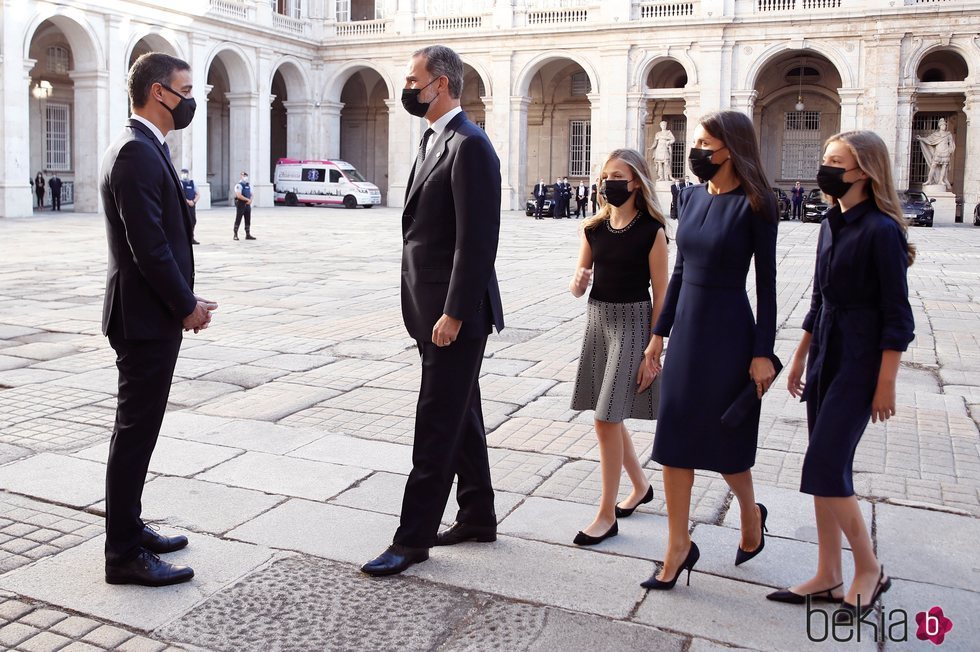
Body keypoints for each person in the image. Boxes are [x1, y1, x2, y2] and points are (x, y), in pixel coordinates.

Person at [361, 44, 504, 577]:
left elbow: (477, 242)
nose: (407, 88)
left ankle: (411, 537)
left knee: (436, 422)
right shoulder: (435, 140)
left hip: (454, 315)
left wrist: (455, 313)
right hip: (430, 307)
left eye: (413, 80)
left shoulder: (471, 146)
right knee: (461, 410)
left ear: (440, 83)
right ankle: (478, 514)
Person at [770, 130, 914, 620]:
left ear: (864, 172)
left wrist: (886, 382)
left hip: (861, 362)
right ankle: (828, 571)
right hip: (827, 353)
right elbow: (818, 299)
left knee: (827, 467)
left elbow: (898, 316)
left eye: (835, 161)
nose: (824, 167)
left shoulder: (883, 231)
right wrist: (800, 356)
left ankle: (869, 568)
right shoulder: (830, 221)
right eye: (824, 159)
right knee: (822, 466)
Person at [643, 110, 778, 590]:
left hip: (729, 335)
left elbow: (767, 284)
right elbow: (679, 272)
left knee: (726, 445)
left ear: (730, 149)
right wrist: (659, 335)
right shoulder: (691, 197)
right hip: (688, 337)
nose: (695, 150)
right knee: (675, 442)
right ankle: (678, 546)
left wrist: (764, 351)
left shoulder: (759, 204)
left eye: (704, 143)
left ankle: (749, 512)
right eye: (694, 142)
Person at [100, 52, 217, 587]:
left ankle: (130, 527)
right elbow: (148, 249)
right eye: (186, 89)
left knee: (140, 432)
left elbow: (164, 238)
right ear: (157, 93)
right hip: (144, 319)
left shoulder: (146, 147)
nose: (193, 99)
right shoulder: (135, 153)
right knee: (134, 432)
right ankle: (123, 553)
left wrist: (186, 299)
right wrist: (184, 306)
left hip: (150, 315)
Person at [568, 148, 669, 546]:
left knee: (605, 418)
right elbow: (578, 284)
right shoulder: (593, 228)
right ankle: (641, 487)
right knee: (608, 412)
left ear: (637, 183)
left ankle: (606, 514)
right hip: (598, 322)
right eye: (605, 175)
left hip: (634, 323)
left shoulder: (652, 231)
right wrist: (577, 282)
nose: (609, 182)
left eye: (618, 176)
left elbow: (662, 294)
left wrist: (655, 347)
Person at [233, 171, 255, 240]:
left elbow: (251, 194)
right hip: (241, 204)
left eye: (246, 176)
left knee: (248, 219)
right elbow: (239, 195)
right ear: (241, 176)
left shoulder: (248, 185)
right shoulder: (238, 185)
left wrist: (250, 200)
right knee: (238, 219)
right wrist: (247, 200)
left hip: (247, 205)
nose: (245, 177)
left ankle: (248, 234)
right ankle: (235, 234)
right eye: (243, 176)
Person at [180, 168, 200, 244]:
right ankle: (184, 239)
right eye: (183, 173)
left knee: (193, 221)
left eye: (186, 173)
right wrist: (188, 201)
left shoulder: (192, 183)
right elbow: (180, 195)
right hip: (184, 206)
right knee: (184, 221)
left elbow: (198, 194)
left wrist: (193, 202)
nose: (184, 174)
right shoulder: (180, 183)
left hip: (192, 205)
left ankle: (191, 238)